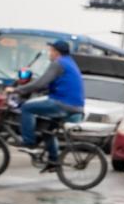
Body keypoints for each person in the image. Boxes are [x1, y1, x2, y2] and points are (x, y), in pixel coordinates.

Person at [10, 40, 85, 172]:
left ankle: (29, 143)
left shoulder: (58, 63)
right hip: (74, 105)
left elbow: (40, 83)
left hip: (63, 103)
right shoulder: (70, 62)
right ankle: (53, 161)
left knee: (27, 107)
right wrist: (38, 89)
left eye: (50, 50)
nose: (49, 53)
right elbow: (47, 84)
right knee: (47, 130)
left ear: (56, 52)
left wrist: (17, 90)